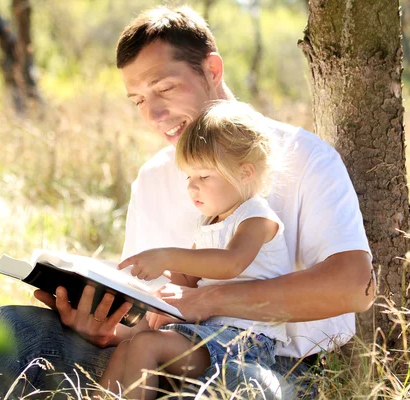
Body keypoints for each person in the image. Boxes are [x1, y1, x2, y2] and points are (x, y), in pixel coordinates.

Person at [0, 5, 375, 400]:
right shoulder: (154, 177)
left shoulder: (302, 156)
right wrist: (102, 329)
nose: (152, 115)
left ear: (212, 71)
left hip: (272, 368)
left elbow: (353, 287)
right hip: (155, 355)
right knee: (8, 326)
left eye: (164, 89)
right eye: (137, 100)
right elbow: (148, 316)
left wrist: (208, 299)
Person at [99, 100, 293, 399]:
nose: (192, 187)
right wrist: (154, 283)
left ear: (245, 173)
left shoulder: (256, 217)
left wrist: (168, 255)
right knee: (128, 346)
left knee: (146, 345)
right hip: (209, 334)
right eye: (189, 177)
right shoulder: (209, 223)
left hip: (246, 342)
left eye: (203, 176)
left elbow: (230, 263)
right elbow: (187, 280)